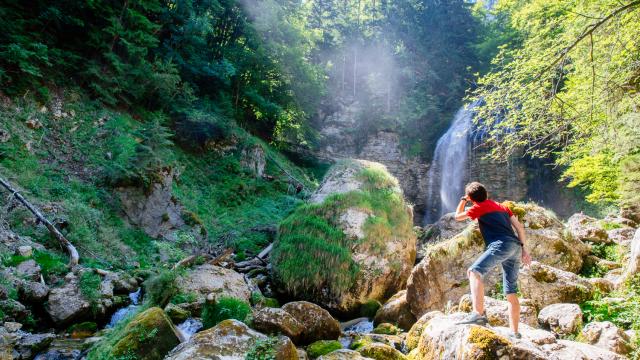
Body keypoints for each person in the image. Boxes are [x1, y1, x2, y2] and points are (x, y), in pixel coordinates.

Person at [453, 182, 532, 338]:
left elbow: (457, 216)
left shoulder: (478, 207)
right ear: (486, 194)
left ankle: (478, 314)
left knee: (474, 271)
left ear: (472, 198)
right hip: (515, 246)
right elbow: (519, 228)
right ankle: (515, 333)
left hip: (501, 245)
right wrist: (524, 250)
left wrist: (463, 200)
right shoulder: (502, 207)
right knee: (510, 290)